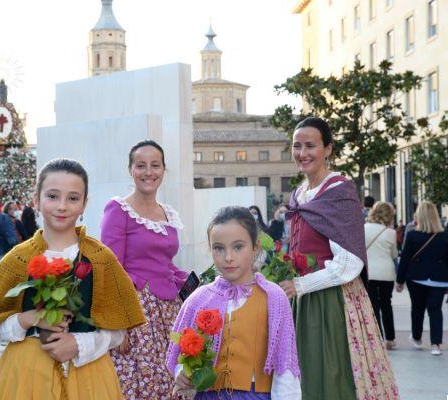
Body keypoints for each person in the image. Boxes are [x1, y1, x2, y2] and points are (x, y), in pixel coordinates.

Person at [0, 158, 146, 399]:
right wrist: (28, 319)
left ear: (84, 204)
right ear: (36, 199)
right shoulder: (19, 258)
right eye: (53, 196)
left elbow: (118, 332)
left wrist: (78, 344)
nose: (62, 206)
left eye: (73, 198)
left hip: (88, 376)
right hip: (26, 375)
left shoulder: (100, 258)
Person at [279, 117, 398, 399]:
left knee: (333, 376)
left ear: (328, 149)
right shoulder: (300, 193)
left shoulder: (339, 192)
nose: (302, 153)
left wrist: (300, 286)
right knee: (305, 378)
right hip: (303, 300)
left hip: (333, 302)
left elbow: (349, 264)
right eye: (297, 146)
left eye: (311, 145)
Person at [167, 206, 301, 399]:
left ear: (255, 247)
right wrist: (184, 373)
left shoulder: (273, 298)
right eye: (219, 248)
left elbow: (285, 367)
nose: (228, 257)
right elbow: (181, 356)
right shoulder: (198, 299)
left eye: (238, 247)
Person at [101, 139, 187, 399]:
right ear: (131, 170)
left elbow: (165, 262)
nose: (148, 172)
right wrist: (119, 323)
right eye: (141, 165)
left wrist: (194, 283)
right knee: (142, 385)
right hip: (137, 312)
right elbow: (110, 267)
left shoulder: (167, 213)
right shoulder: (119, 209)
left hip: (169, 312)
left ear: (164, 170)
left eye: (155, 165)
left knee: (173, 383)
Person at [396, 201, 448, 356]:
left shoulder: (412, 235)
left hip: (416, 277)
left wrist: (400, 281)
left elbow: (405, 259)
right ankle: (436, 344)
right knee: (435, 310)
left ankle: (417, 337)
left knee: (417, 308)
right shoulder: (445, 237)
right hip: (439, 279)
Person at [365, 201, 399, 350]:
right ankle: (390, 339)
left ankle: (377, 339)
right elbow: (394, 254)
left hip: (369, 272)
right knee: (386, 304)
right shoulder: (390, 232)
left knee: (373, 306)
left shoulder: (363, 228)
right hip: (386, 272)